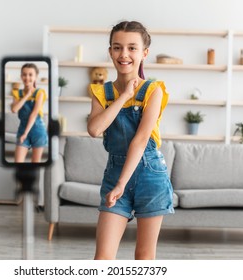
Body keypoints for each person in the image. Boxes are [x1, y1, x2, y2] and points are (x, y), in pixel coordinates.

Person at [87, 21, 174, 260]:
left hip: (150, 174)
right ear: (110, 52)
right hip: (115, 173)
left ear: (144, 53)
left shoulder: (154, 90)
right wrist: (124, 95)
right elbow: (95, 129)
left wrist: (121, 183)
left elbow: (140, 140)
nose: (124, 54)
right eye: (117, 47)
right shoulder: (100, 92)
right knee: (102, 259)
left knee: (144, 258)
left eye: (132, 48)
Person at [11, 63, 48, 163]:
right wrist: (27, 95)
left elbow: (34, 114)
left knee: (35, 165)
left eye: (30, 75)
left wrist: (25, 133)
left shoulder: (40, 92)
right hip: (22, 130)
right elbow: (14, 109)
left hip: (38, 130)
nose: (27, 77)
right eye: (24, 74)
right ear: (21, 76)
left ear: (36, 77)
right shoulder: (17, 93)